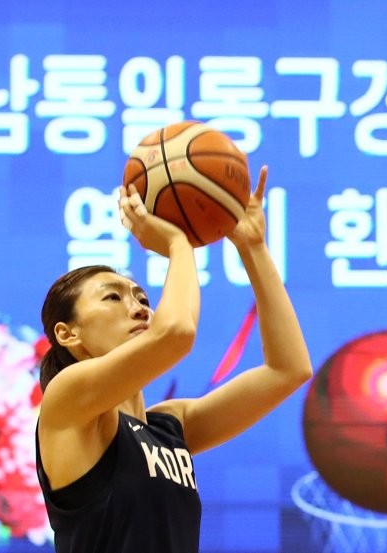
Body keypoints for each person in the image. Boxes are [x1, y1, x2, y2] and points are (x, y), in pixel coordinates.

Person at [35, 167, 312, 553]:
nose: (139, 308)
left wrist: (253, 247)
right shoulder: (68, 398)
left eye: (143, 299)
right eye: (113, 297)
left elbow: (288, 369)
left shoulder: (170, 426)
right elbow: (177, 332)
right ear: (68, 334)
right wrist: (179, 244)